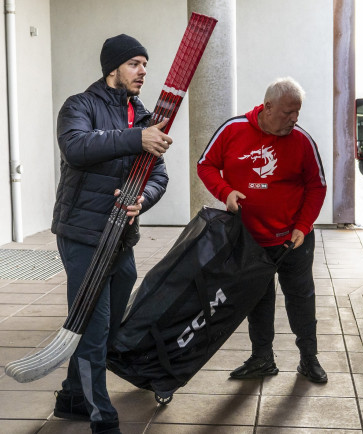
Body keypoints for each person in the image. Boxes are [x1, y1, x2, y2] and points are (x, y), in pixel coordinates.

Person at [50, 34, 172, 434]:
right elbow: (76, 147)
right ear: (113, 68)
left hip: (121, 235)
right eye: (135, 63)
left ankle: (72, 396)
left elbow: (159, 174)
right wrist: (137, 138)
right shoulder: (79, 106)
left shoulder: (144, 114)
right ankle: (101, 417)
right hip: (84, 233)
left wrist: (143, 201)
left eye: (145, 64)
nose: (143, 71)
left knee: (107, 323)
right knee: (95, 325)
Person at [197, 77, 328, 383]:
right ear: (268, 107)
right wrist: (225, 192)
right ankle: (262, 359)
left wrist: (303, 226)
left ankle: (308, 359)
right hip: (250, 239)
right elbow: (205, 165)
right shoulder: (233, 130)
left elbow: (317, 186)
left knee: (301, 298)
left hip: (293, 240)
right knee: (258, 298)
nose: (295, 119)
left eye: (298, 112)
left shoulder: (302, 141)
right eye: (288, 112)